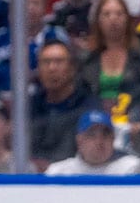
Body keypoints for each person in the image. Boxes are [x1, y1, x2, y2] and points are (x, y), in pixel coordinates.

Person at [29, 38, 99, 169]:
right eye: (46, 62)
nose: (52, 68)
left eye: (59, 62)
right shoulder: (28, 107)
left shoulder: (89, 109)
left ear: (72, 68)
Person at [79, 0, 140, 115]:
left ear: (127, 19)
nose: (113, 19)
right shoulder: (86, 59)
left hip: (131, 117)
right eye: (106, 14)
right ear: (98, 20)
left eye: (119, 14)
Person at [45, 109, 140, 174]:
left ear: (113, 139)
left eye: (106, 135)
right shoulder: (59, 172)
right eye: (91, 135)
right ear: (79, 141)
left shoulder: (131, 169)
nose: (99, 141)